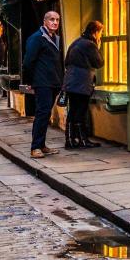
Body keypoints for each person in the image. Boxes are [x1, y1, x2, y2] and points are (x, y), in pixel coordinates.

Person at [22, 12, 63, 159]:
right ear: (45, 21)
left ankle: (42, 145)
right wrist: (31, 81)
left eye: (57, 20)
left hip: (53, 82)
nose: (55, 22)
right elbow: (28, 62)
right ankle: (35, 147)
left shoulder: (54, 38)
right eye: (52, 20)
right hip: (42, 82)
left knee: (46, 115)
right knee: (41, 114)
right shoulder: (37, 38)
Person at [64, 21, 104, 149]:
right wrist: (98, 46)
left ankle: (70, 140)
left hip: (71, 81)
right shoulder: (90, 45)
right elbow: (99, 63)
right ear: (95, 32)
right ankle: (83, 140)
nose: (100, 36)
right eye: (100, 33)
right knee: (81, 111)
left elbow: (66, 62)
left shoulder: (76, 42)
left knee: (73, 111)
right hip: (82, 82)